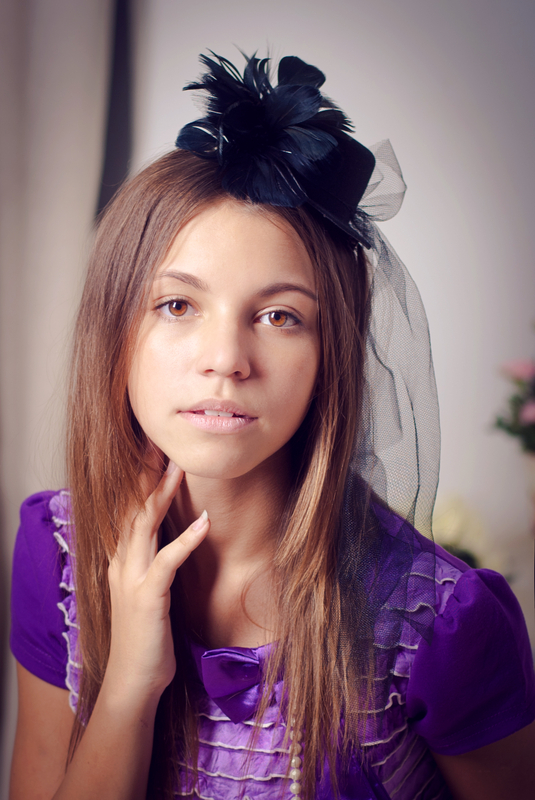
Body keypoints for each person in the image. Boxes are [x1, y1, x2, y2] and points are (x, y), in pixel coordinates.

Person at [8, 51, 535, 800]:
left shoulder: (438, 627)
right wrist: (126, 688)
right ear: (115, 330)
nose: (226, 360)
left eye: (280, 316)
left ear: (330, 354)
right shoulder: (59, 555)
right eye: (177, 305)